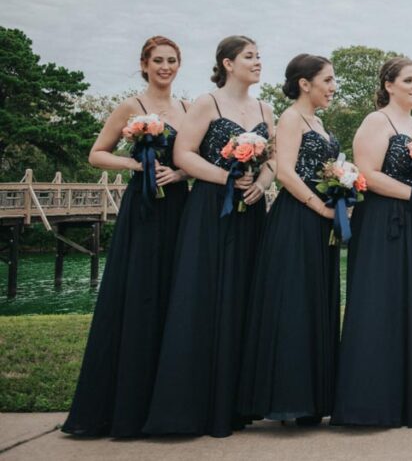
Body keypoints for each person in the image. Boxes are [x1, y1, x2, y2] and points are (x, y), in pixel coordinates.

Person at [144, 35, 275, 438]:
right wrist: (226, 178)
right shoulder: (207, 103)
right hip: (210, 209)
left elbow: (273, 159)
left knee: (244, 297)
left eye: (259, 56)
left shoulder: (266, 109)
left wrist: (261, 184)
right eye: (250, 56)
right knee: (206, 296)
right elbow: (183, 154)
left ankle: (238, 404)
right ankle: (196, 405)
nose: (258, 62)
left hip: (250, 211)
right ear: (228, 63)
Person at [62, 36, 190, 438]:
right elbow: (97, 153)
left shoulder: (187, 109)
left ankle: (170, 401)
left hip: (180, 205)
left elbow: (194, 158)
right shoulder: (130, 106)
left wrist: (180, 173)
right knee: (140, 293)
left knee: (176, 291)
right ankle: (125, 404)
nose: (165, 67)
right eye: (158, 61)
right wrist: (135, 165)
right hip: (144, 207)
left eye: (171, 61)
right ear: (144, 65)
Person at [331, 57, 412, 428]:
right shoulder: (376, 121)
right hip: (384, 223)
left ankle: (410, 401)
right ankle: (370, 404)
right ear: (389, 84)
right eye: (409, 80)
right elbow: (367, 173)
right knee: (380, 304)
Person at [237, 54, 340, 426]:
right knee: (294, 304)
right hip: (297, 218)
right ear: (304, 84)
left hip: (321, 221)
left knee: (316, 302)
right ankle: (289, 399)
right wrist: (320, 206)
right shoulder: (292, 118)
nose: (333, 87)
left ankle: (314, 399)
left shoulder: (318, 121)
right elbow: (285, 172)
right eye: (327, 80)